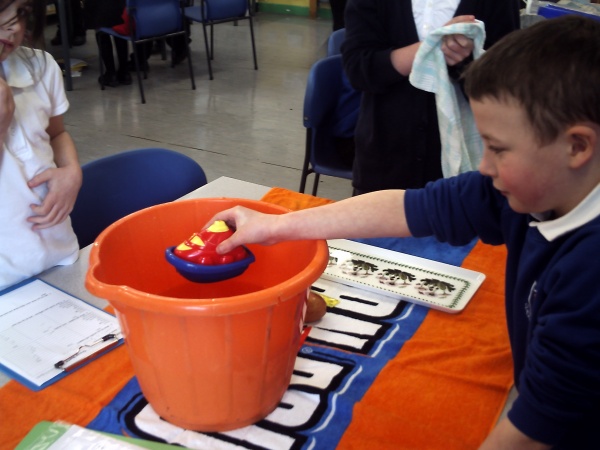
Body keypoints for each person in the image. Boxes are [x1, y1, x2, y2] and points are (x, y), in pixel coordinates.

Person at [208, 16, 600, 448]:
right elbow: (410, 207)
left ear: (577, 146)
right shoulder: (528, 192)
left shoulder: (590, 272)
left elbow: (535, 431)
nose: (484, 166)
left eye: (499, 149)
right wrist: (277, 226)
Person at [342, 0, 521, 194]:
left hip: (463, 160)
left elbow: (504, 87)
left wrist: (465, 59)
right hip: (386, 153)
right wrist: (434, 46)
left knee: (455, 217)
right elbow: (360, 70)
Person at [0, 0, 81, 291]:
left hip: (58, 255)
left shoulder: (40, 66)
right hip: (6, 276)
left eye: (21, 14)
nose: (15, 27)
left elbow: (56, 134)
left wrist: (71, 171)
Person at [83, 0, 131, 87]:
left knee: (101, 30)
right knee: (119, 29)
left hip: (99, 7)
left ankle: (111, 74)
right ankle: (124, 73)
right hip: (121, 7)